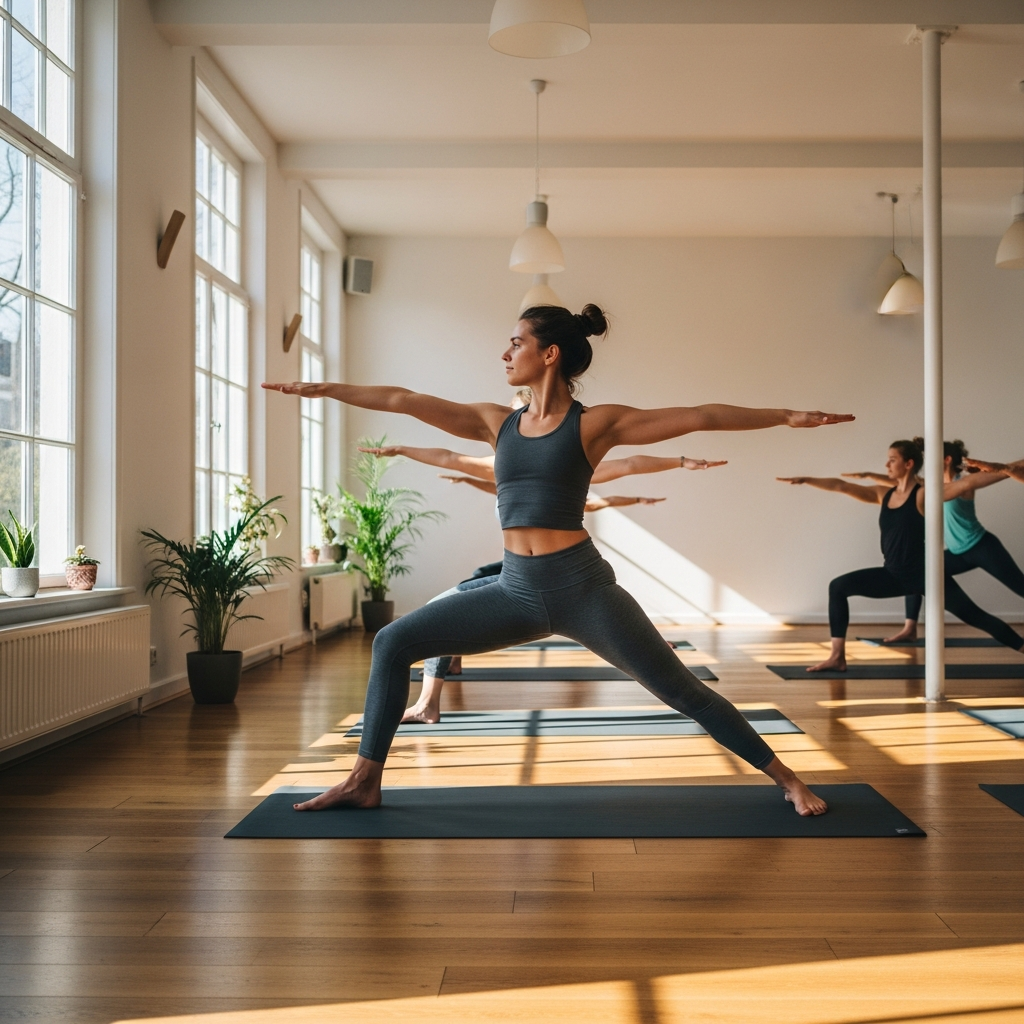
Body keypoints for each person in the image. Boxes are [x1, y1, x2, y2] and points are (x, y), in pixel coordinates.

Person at [265, 302, 853, 816]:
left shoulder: (595, 424)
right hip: (515, 590)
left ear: (549, 355)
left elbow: (701, 415)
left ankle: (788, 780)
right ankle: (364, 781)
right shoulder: (496, 422)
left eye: (515, 342)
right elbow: (403, 399)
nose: (505, 353)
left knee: (683, 692)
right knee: (392, 642)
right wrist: (323, 389)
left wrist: (786, 416)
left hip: (583, 590)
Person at [358, 442, 725, 724]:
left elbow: (624, 469)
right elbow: (456, 460)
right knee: (449, 601)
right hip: (513, 567)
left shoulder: (565, 469)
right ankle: (438, 683)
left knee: (442, 604)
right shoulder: (508, 470)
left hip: (558, 571)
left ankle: (428, 700)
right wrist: (441, 466)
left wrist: (675, 465)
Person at [778, 439, 1024, 672]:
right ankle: (837, 657)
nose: (886, 464)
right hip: (893, 575)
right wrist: (807, 479)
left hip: (926, 575)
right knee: (838, 587)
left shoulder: (924, 494)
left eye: (892, 459)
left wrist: (1007, 468)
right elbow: (841, 485)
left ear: (908, 464)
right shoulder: (881, 494)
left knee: (977, 617)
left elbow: (968, 484)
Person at [844, 439, 1018, 643]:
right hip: (956, 552)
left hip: (981, 546)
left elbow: (990, 476)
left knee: (1020, 587)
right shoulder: (931, 487)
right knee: (917, 571)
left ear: (947, 460)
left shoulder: (961, 482)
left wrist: (1009, 468)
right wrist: (868, 475)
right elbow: (900, 482)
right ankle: (910, 628)